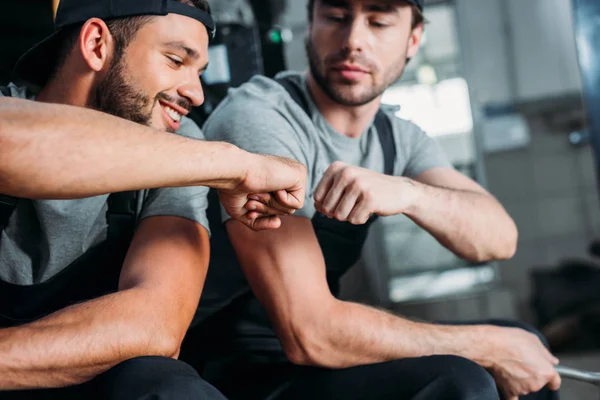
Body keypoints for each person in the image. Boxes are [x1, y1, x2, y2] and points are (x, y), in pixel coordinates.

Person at [182, 0, 562, 399]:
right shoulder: (261, 118)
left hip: (301, 364)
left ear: (413, 40)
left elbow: (498, 239)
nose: (353, 41)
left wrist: (410, 194)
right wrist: (488, 347)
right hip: (226, 369)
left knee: (524, 343)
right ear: (311, 24)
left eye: (378, 22)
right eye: (335, 18)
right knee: (461, 380)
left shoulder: (394, 137)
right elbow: (309, 332)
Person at [0, 0, 306, 398]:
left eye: (199, 72)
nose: (195, 93)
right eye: (176, 60)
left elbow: (155, 324)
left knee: (167, 385)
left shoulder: (184, 147)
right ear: (95, 44)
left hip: (84, 382)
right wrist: (236, 164)